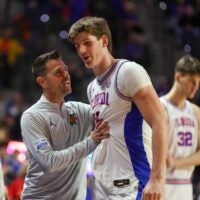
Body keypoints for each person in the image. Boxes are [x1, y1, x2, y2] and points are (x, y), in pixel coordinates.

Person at [68, 16, 168, 200]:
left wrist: (157, 178)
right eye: (77, 45)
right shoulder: (92, 88)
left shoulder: (128, 72)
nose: (82, 50)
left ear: (104, 41)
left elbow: (160, 121)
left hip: (131, 182)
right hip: (101, 183)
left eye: (87, 43)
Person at [20, 50, 109, 200]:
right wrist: (91, 142)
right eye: (58, 72)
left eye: (66, 69)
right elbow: (49, 163)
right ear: (42, 82)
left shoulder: (79, 110)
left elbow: (111, 114)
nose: (66, 75)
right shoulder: (32, 117)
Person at [159, 55, 200, 200]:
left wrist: (176, 162)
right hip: (162, 183)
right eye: (191, 81)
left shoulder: (196, 112)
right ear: (178, 77)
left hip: (185, 185)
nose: (195, 86)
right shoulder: (159, 107)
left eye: (198, 82)